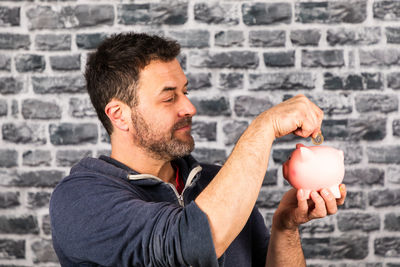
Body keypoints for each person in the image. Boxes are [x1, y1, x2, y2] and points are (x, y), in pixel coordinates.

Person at [49, 32, 346, 267]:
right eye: (169, 98)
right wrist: (264, 127)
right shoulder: (80, 200)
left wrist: (285, 228)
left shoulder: (218, 184)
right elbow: (186, 243)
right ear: (118, 115)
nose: (189, 107)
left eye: (185, 92)